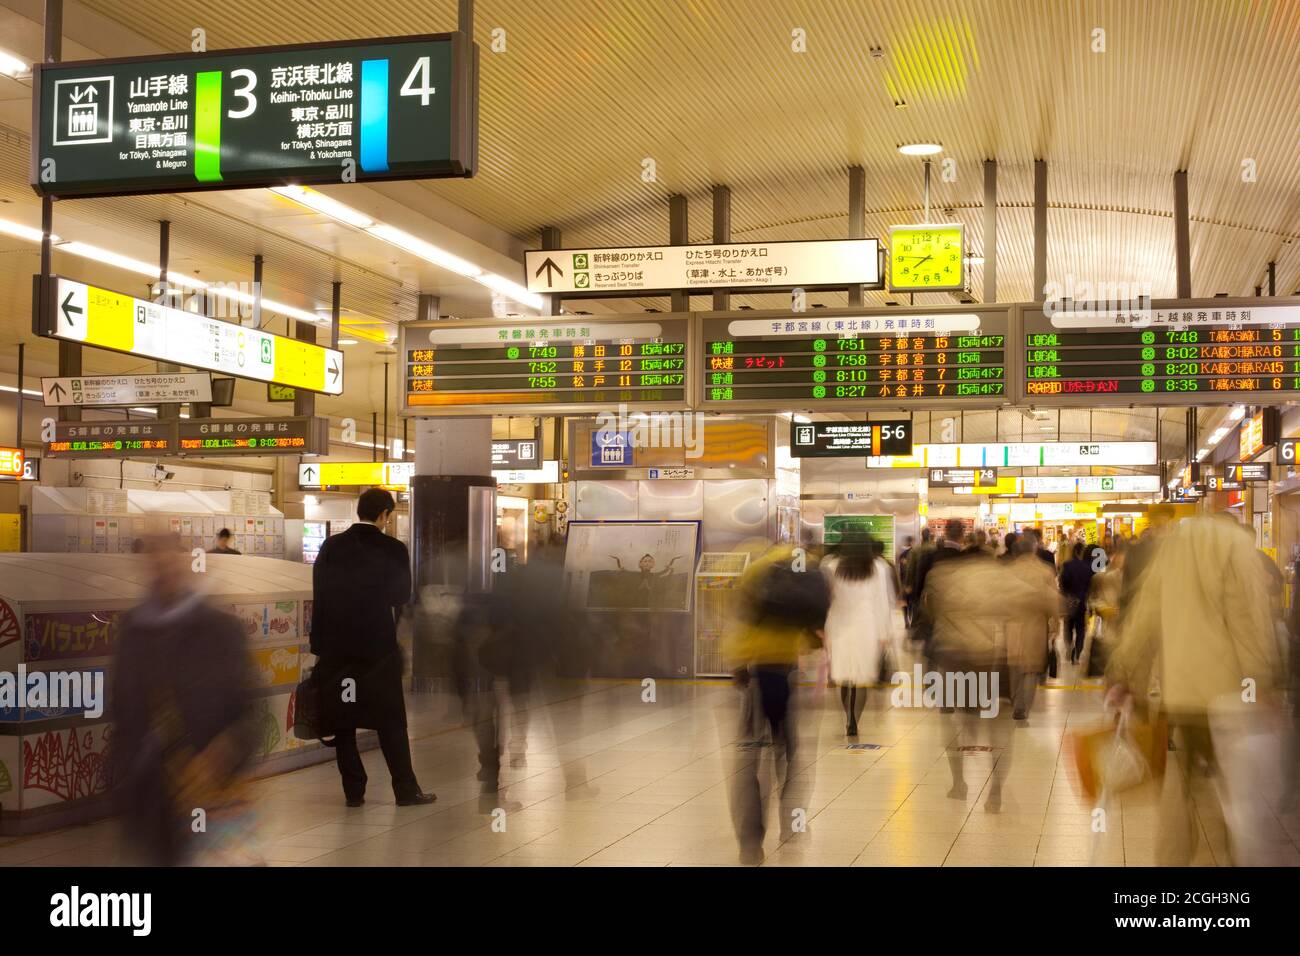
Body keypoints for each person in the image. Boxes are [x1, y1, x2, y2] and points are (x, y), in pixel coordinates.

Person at [1107, 517, 1283, 865]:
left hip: (1178, 700)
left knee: (1177, 797)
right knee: (1221, 803)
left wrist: (1125, 676)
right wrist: (1258, 684)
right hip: (1224, 703)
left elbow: (1143, 618)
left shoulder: (1171, 550)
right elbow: (1248, 622)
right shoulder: (1237, 548)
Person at [110, 533, 258, 865]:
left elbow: (252, 712)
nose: (163, 564)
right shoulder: (132, 629)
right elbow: (123, 709)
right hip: (151, 796)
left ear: (187, 562)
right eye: (154, 555)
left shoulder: (220, 629)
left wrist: (225, 751)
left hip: (211, 789)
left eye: (171, 555)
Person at [310, 488, 435, 808]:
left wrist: (319, 647)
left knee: (343, 721)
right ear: (384, 516)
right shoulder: (393, 548)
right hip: (377, 650)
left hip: (337, 650)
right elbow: (400, 596)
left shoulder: (331, 546)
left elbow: (320, 596)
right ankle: (405, 790)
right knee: (391, 721)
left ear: (359, 511)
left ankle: (354, 792)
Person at [725, 542, 825, 863]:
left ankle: (751, 841)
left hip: (758, 673)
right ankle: (791, 825)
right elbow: (814, 630)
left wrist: (738, 664)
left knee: (750, 760)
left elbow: (741, 621)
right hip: (789, 674)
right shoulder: (809, 572)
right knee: (791, 754)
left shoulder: (756, 570)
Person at [822, 538, 896, 736]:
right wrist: (884, 632)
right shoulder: (877, 568)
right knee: (861, 679)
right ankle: (855, 720)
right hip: (866, 626)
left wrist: (826, 630)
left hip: (841, 625)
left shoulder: (832, 566)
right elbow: (881, 601)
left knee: (846, 678)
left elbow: (828, 601)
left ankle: (849, 717)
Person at [1003, 534, 1062, 721]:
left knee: (1014, 665)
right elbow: (1052, 600)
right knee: (1031, 668)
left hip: (1012, 623)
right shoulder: (1044, 571)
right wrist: (1055, 623)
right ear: (1035, 549)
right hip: (1035, 625)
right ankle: (1023, 707)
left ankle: (1015, 700)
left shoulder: (1009, 571)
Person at [1058, 541, 1095, 664]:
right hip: (1082, 602)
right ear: (1082, 552)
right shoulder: (1088, 567)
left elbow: (1063, 583)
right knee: (1080, 629)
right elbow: (1091, 585)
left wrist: (1066, 595)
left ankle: (1069, 646)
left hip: (1069, 601)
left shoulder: (1067, 565)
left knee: (1068, 627)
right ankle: (1078, 654)